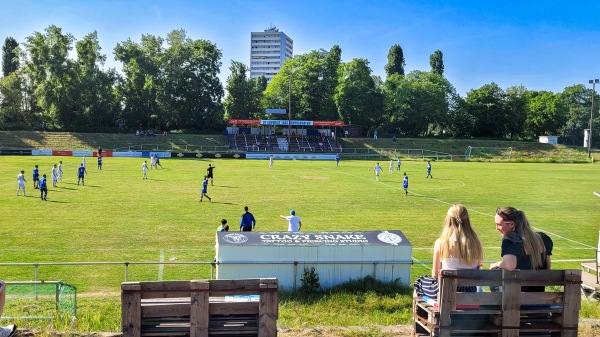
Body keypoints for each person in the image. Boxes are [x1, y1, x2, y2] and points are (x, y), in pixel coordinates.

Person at [415, 204, 483, 297]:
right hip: (469, 294)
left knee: (419, 282)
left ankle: (421, 311)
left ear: (448, 220)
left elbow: (435, 274)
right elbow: (478, 269)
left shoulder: (442, 243)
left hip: (446, 295)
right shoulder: (476, 243)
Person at [489, 207, 553, 292]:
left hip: (514, 300)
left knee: (495, 273)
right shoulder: (544, 239)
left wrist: (496, 264)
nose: (496, 228)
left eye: (499, 224)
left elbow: (509, 265)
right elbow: (547, 269)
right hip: (539, 298)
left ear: (512, 224)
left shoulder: (511, 240)